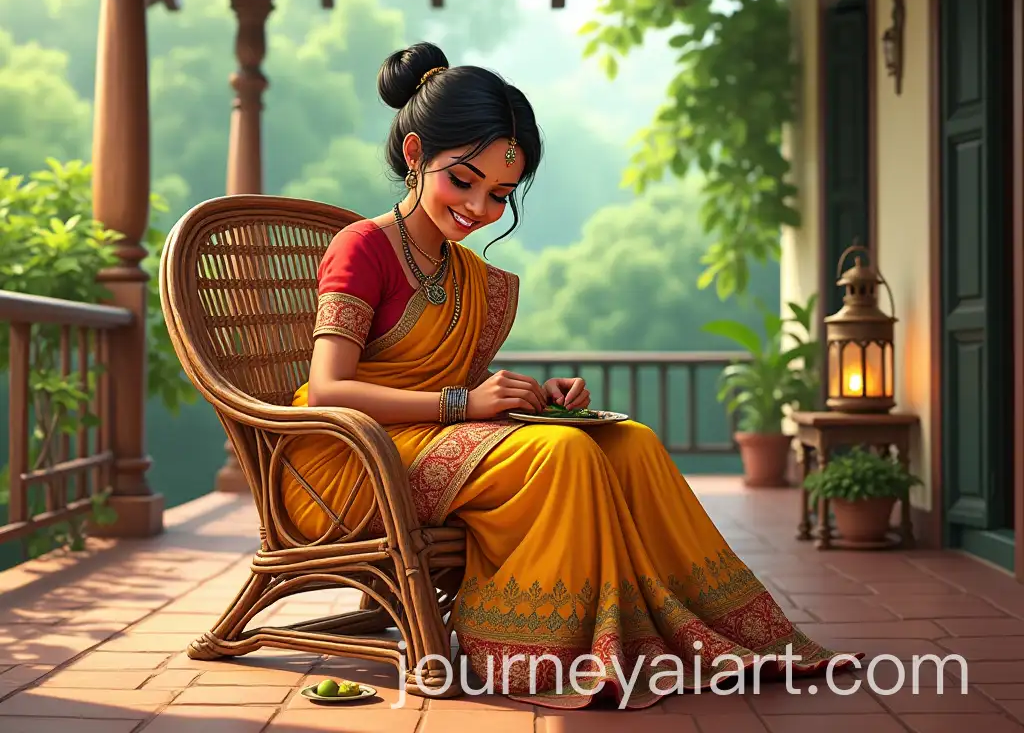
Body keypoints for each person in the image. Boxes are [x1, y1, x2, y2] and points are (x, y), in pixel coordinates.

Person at [282, 41, 860, 709]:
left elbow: (444, 371)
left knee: (629, 441)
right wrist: (465, 403)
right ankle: (530, 650)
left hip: (424, 437)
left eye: (500, 194)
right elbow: (328, 389)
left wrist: (531, 397)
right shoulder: (362, 248)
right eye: (463, 181)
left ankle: (710, 630)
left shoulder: (458, 268)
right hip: (349, 459)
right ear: (415, 156)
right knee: (562, 457)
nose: (478, 208)